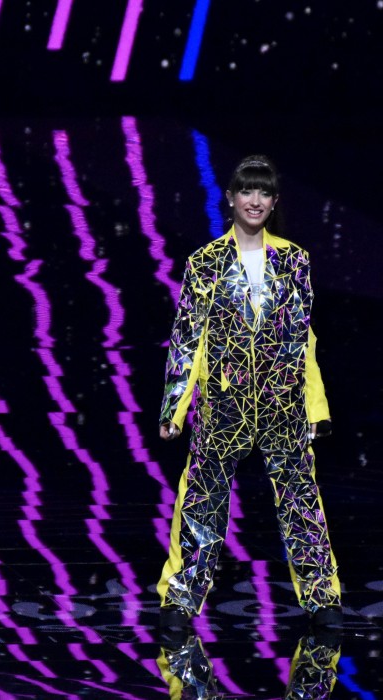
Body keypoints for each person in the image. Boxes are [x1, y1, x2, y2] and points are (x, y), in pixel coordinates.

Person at [156, 155, 343, 630]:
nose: (254, 200)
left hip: (283, 402)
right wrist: (174, 409)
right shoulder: (205, 262)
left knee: (302, 502)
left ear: (274, 201)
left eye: (263, 192)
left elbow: (302, 339)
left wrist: (316, 406)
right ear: (231, 198)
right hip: (223, 403)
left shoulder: (294, 260)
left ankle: (322, 598)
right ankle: (179, 599)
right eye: (246, 191)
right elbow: (187, 339)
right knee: (201, 502)